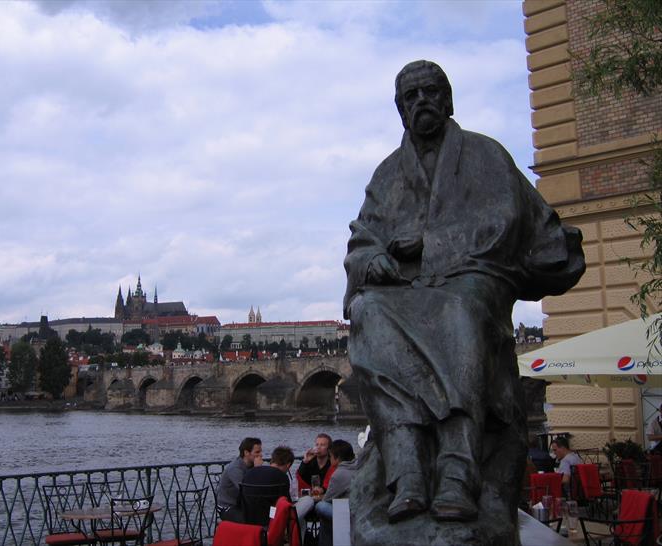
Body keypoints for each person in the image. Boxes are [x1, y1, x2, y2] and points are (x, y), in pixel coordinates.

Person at [344, 60, 585, 524]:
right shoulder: (387, 174)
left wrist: (430, 244)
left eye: (429, 92)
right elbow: (363, 235)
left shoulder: (484, 154)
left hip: (476, 278)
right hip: (404, 290)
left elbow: (505, 221)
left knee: (459, 311)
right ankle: (407, 470)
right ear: (400, 111)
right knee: (369, 312)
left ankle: (458, 470)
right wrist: (371, 260)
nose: (421, 102)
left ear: (448, 99)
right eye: (410, 97)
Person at [315, 440, 357, 546]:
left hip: (350, 514)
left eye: (330, 456)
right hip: (358, 508)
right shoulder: (359, 466)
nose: (329, 459)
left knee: (321, 506)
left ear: (337, 458)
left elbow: (327, 499)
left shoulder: (339, 473)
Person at [240, 446, 295, 525]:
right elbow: (286, 504)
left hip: (249, 518)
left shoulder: (249, 473)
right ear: (288, 465)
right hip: (273, 519)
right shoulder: (282, 477)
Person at [216, 437, 262, 522]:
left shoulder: (251, 466)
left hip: (243, 505)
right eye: (257, 452)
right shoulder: (235, 469)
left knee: (269, 515)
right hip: (227, 507)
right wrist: (258, 470)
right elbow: (248, 490)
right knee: (250, 520)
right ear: (246, 453)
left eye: (260, 451)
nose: (260, 455)